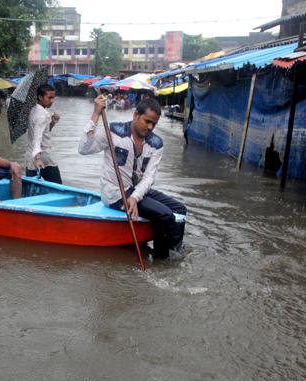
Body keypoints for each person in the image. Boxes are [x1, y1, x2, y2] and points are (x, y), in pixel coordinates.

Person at [79, 96, 187, 259]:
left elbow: (149, 178)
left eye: (154, 124)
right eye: (147, 121)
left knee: (180, 209)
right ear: (136, 116)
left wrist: (135, 197)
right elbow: (84, 149)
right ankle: (161, 260)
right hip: (116, 193)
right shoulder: (113, 131)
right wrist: (95, 115)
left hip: (137, 190)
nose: (150, 127)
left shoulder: (156, 143)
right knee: (165, 215)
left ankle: (173, 251)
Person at [25, 84, 62, 184]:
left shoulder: (34, 110)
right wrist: (38, 158)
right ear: (40, 97)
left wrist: (52, 122)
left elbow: (42, 132)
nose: (52, 100)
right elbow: (37, 138)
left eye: (53, 97)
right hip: (43, 157)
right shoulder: (41, 115)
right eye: (49, 97)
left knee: (31, 188)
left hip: (31, 156)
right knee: (58, 188)